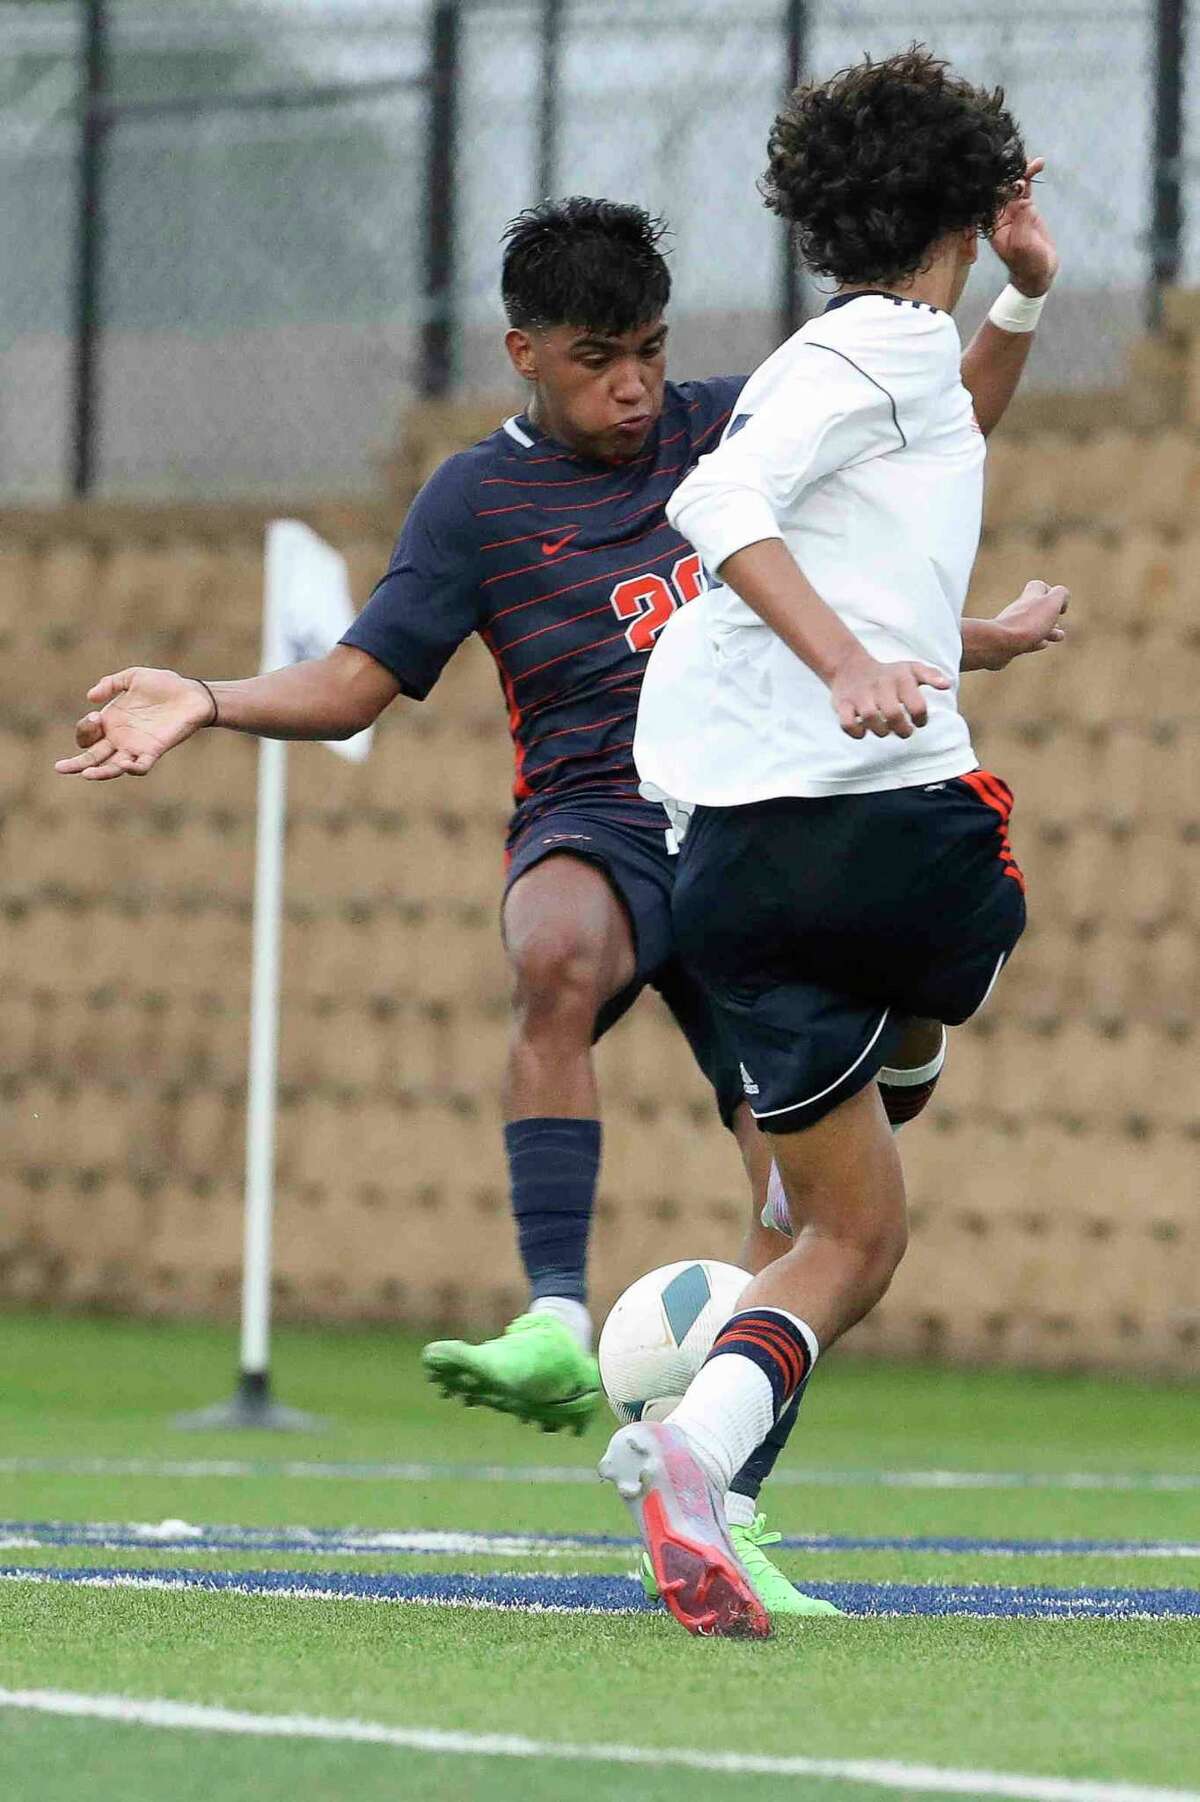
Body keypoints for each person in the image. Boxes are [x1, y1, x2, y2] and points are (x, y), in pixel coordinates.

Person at [55, 189, 1061, 1617]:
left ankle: (726, 1504)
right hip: (597, 819)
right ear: (525, 351)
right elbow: (357, 680)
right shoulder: (478, 500)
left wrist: (1013, 316)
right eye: (600, 357)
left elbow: (938, 432)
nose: (635, 383)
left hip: (734, 819)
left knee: (795, 1224)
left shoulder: (726, 423)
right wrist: (207, 699)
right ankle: (548, 1310)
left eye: (651, 347)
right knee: (557, 949)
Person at [600, 51, 1061, 1638]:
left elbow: (933, 450)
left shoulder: (894, 358)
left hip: (730, 871)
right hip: (880, 832)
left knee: (845, 1233)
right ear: (967, 200)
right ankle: (902, 1060)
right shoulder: (863, 350)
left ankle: (692, 1461)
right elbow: (722, 501)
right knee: (979, 924)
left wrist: (1023, 305)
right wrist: (860, 667)